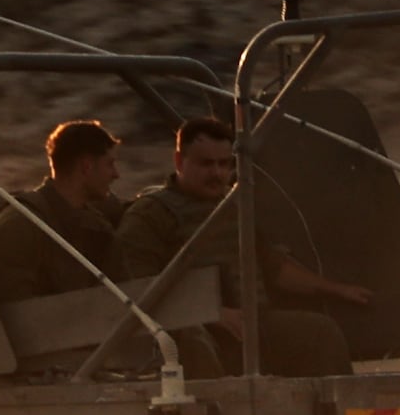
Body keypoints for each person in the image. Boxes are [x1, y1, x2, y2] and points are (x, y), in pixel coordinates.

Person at [112, 108, 362, 374]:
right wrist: (211, 313)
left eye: (224, 164)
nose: (217, 173)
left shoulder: (233, 207)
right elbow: (137, 288)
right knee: (199, 348)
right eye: (205, 164)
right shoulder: (151, 214)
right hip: (194, 330)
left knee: (320, 333)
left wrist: (335, 289)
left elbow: (272, 267)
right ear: (179, 161)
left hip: (252, 323)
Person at [0, 118, 130, 305]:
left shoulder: (98, 228)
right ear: (86, 166)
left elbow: (123, 297)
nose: (116, 174)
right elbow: (16, 314)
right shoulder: (19, 228)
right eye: (109, 164)